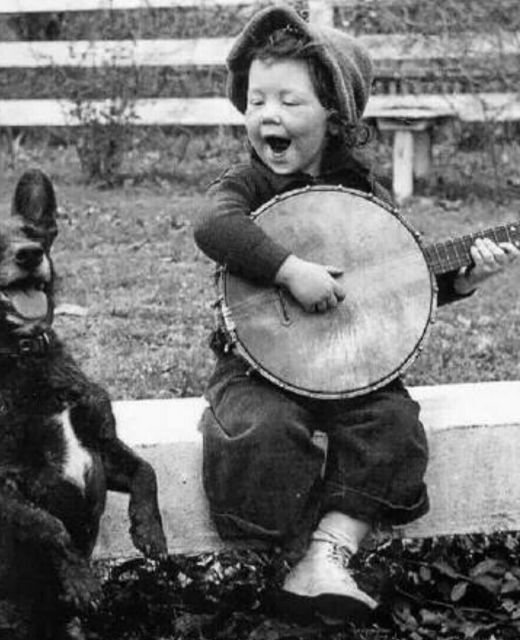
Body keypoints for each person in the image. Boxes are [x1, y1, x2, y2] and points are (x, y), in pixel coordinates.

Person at [193, 4, 519, 625]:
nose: (267, 115)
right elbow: (213, 225)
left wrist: (463, 279)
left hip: (349, 364)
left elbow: (390, 282)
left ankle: (328, 553)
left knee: (392, 425)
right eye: (256, 101)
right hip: (257, 365)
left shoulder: (365, 195)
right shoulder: (248, 184)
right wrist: (289, 269)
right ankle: (284, 561)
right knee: (262, 430)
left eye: (289, 101)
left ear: (335, 114)